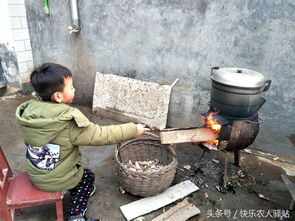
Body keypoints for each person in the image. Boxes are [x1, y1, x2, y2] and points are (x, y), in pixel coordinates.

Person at [15, 63, 146, 221]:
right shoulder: (69, 120)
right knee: (87, 177)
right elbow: (100, 134)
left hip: (36, 173)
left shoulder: (29, 113)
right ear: (58, 96)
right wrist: (133, 129)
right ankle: (76, 215)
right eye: (71, 87)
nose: (74, 90)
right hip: (57, 179)